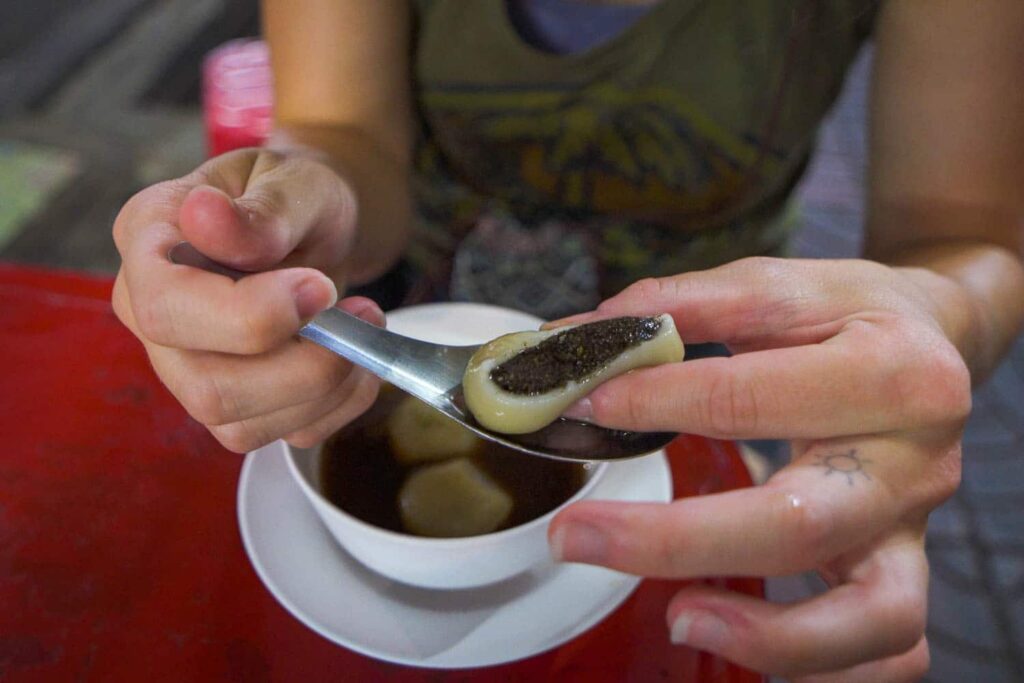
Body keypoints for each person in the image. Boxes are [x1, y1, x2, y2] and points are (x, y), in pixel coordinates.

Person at [111, 1, 1024, 680]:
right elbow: (343, 133)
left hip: (701, 386)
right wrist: (285, 212)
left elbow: (963, 235)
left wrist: (927, 317)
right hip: (400, 322)